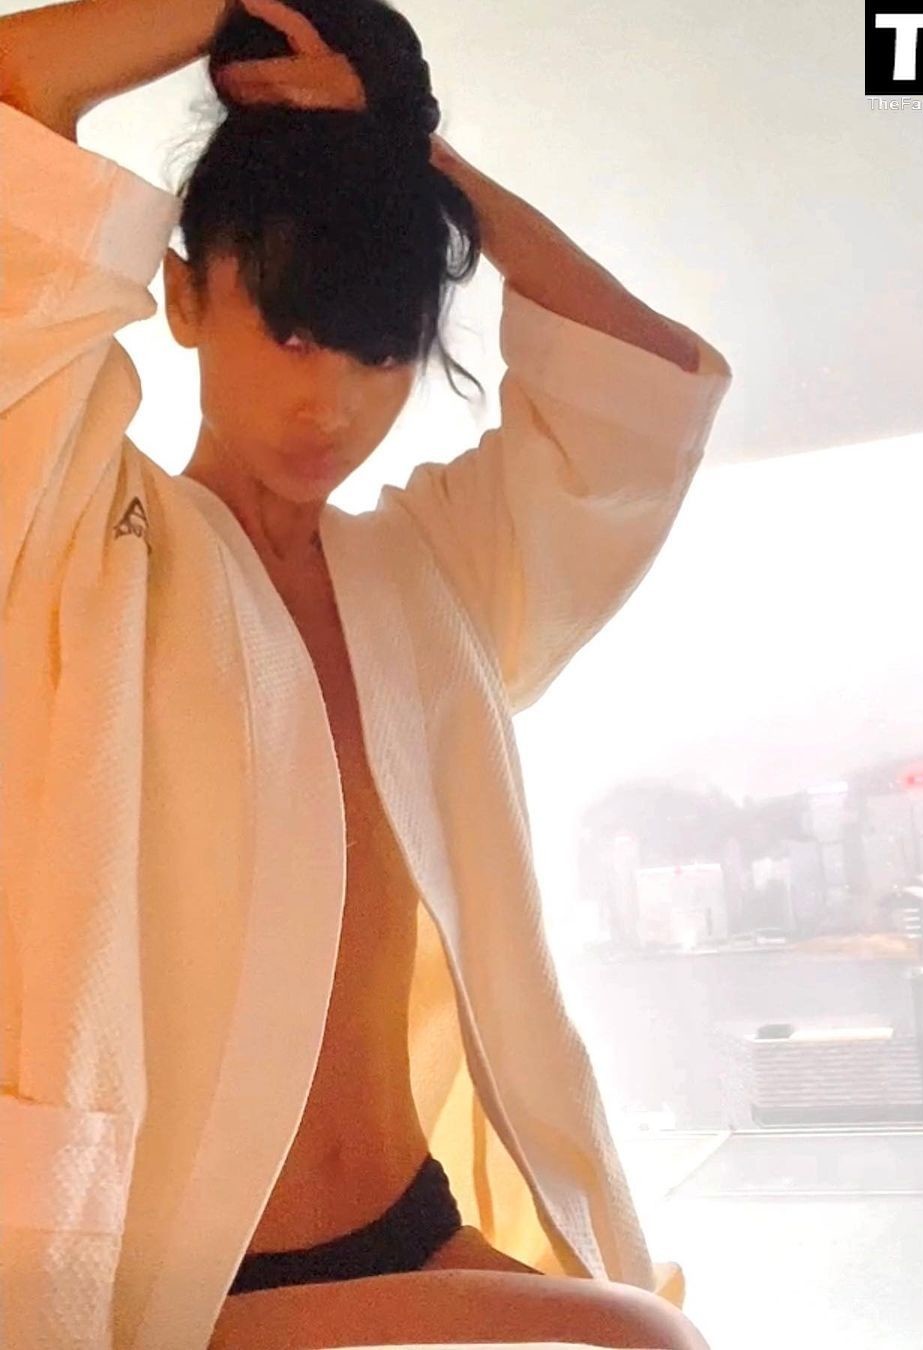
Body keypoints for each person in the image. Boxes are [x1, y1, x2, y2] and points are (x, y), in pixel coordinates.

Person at [0, 0, 732, 1345]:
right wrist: (229, 8)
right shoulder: (83, 530)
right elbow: (18, 89)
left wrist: (409, 148)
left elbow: (639, 387)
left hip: (408, 1223)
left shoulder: (430, 572)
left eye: (380, 351)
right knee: (644, 1339)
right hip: (176, 1274)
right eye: (291, 331)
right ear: (183, 294)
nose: (328, 401)